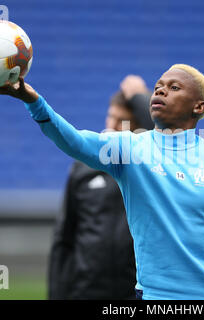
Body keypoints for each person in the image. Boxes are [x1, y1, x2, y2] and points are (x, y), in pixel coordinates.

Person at [0, 64, 204, 300]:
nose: (161, 90)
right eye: (158, 86)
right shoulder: (129, 150)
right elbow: (76, 141)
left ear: (198, 106)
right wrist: (32, 100)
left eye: (174, 87)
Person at [48, 75, 154, 299]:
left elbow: (164, 134)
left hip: (134, 293)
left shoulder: (151, 169)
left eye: (122, 121)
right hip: (86, 291)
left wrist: (139, 98)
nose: (112, 126)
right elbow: (64, 239)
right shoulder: (83, 168)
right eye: (111, 117)